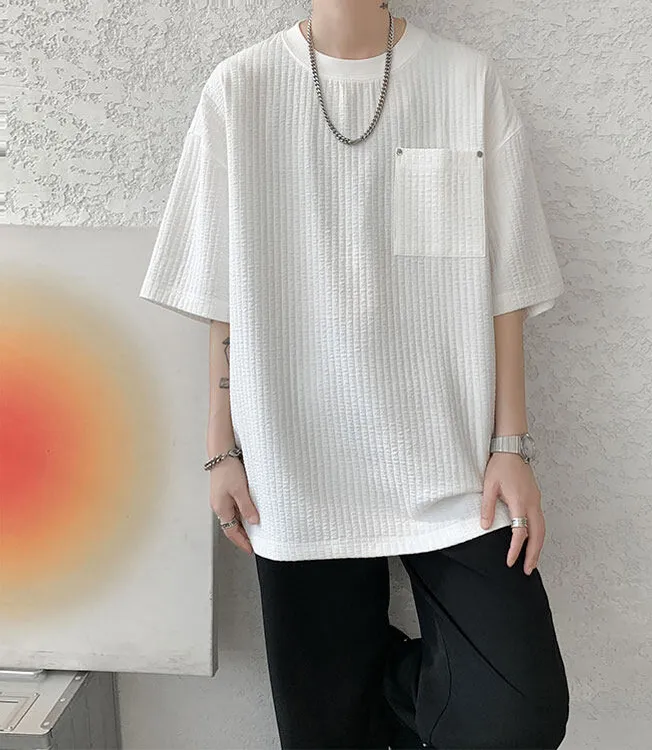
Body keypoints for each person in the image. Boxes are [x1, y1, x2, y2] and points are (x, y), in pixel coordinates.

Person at [139, 1, 570, 747]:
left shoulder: (465, 82)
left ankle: (373, 675)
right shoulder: (240, 88)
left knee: (517, 715)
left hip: (452, 465)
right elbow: (221, 293)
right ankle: (351, 678)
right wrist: (221, 446)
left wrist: (511, 443)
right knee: (325, 734)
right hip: (294, 468)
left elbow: (508, 285)